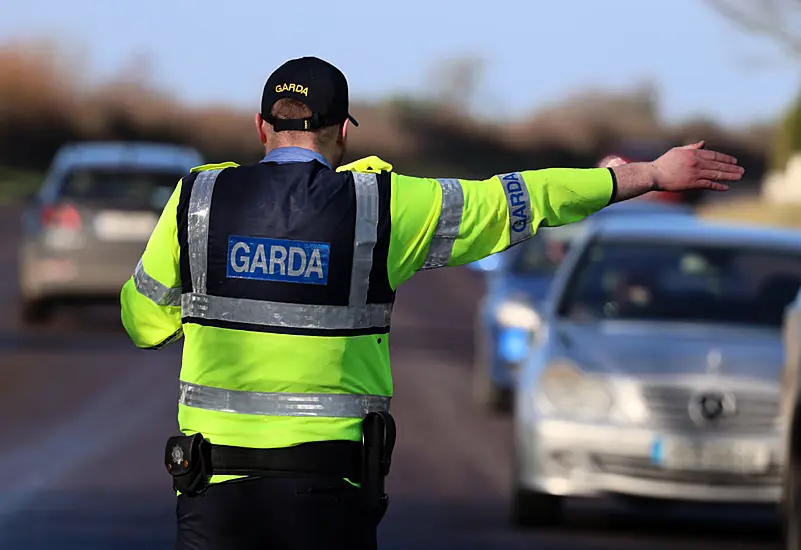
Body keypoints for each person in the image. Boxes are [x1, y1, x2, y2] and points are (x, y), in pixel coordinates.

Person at [119, 55, 744, 550]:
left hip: (213, 494)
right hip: (329, 496)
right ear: (342, 132)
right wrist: (640, 176)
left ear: (261, 127)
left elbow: (141, 320)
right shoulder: (384, 206)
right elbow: (514, 200)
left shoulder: (196, 199)